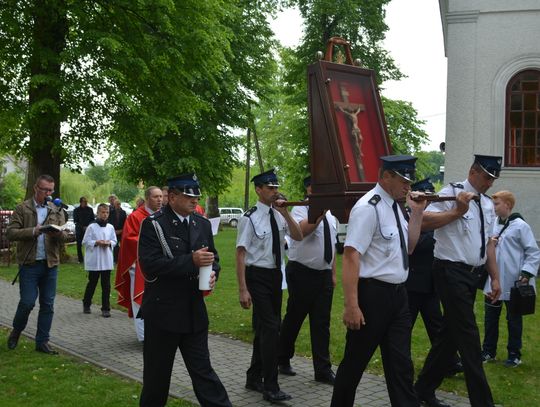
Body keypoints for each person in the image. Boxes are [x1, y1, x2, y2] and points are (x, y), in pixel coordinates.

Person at [330, 155, 425, 407]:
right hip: (372, 297)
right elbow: (351, 256)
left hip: (398, 297)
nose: (408, 186)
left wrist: (417, 214)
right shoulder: (367, 207)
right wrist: (351, 305)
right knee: (354, 364)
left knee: (401, 365)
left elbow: (410, 248)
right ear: (386, 176)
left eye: (409, 181)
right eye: (403, 180)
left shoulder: (396, 207)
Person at [414, 154, 503, 407]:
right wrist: (457, 211)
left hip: (472, 275)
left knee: (450, 337)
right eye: (487, 177)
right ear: (473, 171)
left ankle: (422, 388)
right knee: (469, 336)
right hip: (449, 271)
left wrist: (495, 278)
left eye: (494, 178)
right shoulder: (451, 193)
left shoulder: (487, 203)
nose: (490, 183)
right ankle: (482, 402)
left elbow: (488, 245)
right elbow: (423, 222)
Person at [138, 174, 231, 407]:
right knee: (156, 379)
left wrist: (212, 274)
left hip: (193, 312)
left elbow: (213, 258)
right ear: (172, 196)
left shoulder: (202, 223)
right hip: (163, 313)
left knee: (204, 373)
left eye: (197, 196)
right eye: (189, 196)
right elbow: (149, 264)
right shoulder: (154, 224)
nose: (194, 200)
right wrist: (191, 260)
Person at [236, 169, 303, 403]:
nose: (275, 192)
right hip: (257, 276)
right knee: (273, 329)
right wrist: (243, 288)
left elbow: (298, 236)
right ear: (258, 190)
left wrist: (286, 213)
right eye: (270, 188)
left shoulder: (278, 215)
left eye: (276, 187)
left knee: (267, 330)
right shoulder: (250, 217)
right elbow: (241, 254)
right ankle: (270, 386)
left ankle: (253, 377)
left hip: (276, 276)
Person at [277, 175, 337, 384]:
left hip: (324, 276)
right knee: (294, 318)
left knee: (322, 323)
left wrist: (333, 272)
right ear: (310, 189)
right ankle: (282, 358)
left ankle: (323, 370)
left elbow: (332, 245)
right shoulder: (300, 209)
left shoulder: (331, 215)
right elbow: (301, 231)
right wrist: (318, 214)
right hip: (302, 273)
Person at [406, 178, 463, 377]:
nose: (429, 201)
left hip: (431, 284)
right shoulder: (411, 216)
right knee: (405, 328)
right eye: (426, 196)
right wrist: (436, 233)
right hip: (412, 285)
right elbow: (415, 246)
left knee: (437, 327)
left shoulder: (433, 218)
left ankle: (449, 362)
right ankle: (403, 365)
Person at [6, 174, 68, 355]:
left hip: (50, 264)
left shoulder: (56, 210)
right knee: (27, 302)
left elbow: (65, 236)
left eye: (51, 190)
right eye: (44, 190)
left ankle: (42, 342)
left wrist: (58, 234)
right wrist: (34, 230)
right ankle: (17, 331)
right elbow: (10, 233)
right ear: (36, 188)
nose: (48, 194)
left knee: (48, 305)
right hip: (29, 264)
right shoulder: (22, 208)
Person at [481, 190, 540, 367]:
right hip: (493, 280)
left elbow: (533, 252)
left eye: (497, 204)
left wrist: (527, 273)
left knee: (514, 319)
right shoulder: (492, 224)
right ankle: (488, 351)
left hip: (515, 281)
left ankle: (514, 354)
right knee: (491, 317)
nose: (494, 207)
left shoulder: (521, 226)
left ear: (508, 205)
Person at [115, 186, 163, 342]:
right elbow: (129, 239)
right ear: (147, 199)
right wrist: (154, 244)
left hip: (160, 266)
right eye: (156, 197)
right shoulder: (135, 217)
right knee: (140, 299)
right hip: (139, 266)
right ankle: (143, 337)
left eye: (161, 196)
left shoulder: (163, 216)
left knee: (159, 300)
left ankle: (157, 332)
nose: (160, 200)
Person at [82, 203, 117, 317]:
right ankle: (86, 304)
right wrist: (96, 243)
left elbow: (114, 241)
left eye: (107, 212)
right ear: (97, 213)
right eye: (102, 212)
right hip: (95, 259)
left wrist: (109, 243)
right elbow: (85, 242)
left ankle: (105, 308)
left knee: (106, 285)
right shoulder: (91, 227)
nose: (105, 214)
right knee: (92, 283)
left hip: (106, 259)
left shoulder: (110, 227)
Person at [73, 196, 95, 263]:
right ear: (81, 202)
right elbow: (75, 220)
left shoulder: (90, 209)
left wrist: (88, 226)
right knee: (79, 245)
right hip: (79, 229)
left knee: (89, 244)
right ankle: (80, 259)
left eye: (86, 202)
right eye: (84, 202)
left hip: (88, 229)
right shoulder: (76, 210)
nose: (85, 203)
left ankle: (89, 258)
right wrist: (83, 227)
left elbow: (93, 219)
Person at [108, 198, 127, 263]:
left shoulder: (123, 212)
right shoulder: (111, 212)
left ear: (120, 204)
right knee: (115, 246)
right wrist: (113, 231)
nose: (118, 205)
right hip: (114, 231)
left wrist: (122, 230)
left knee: (122, 246)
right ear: (114, 205)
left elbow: (125, 223)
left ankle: (121, 258)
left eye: (119, 204)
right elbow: (109, 222)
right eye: (116, 204)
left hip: (121, 231)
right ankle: (115, 260)